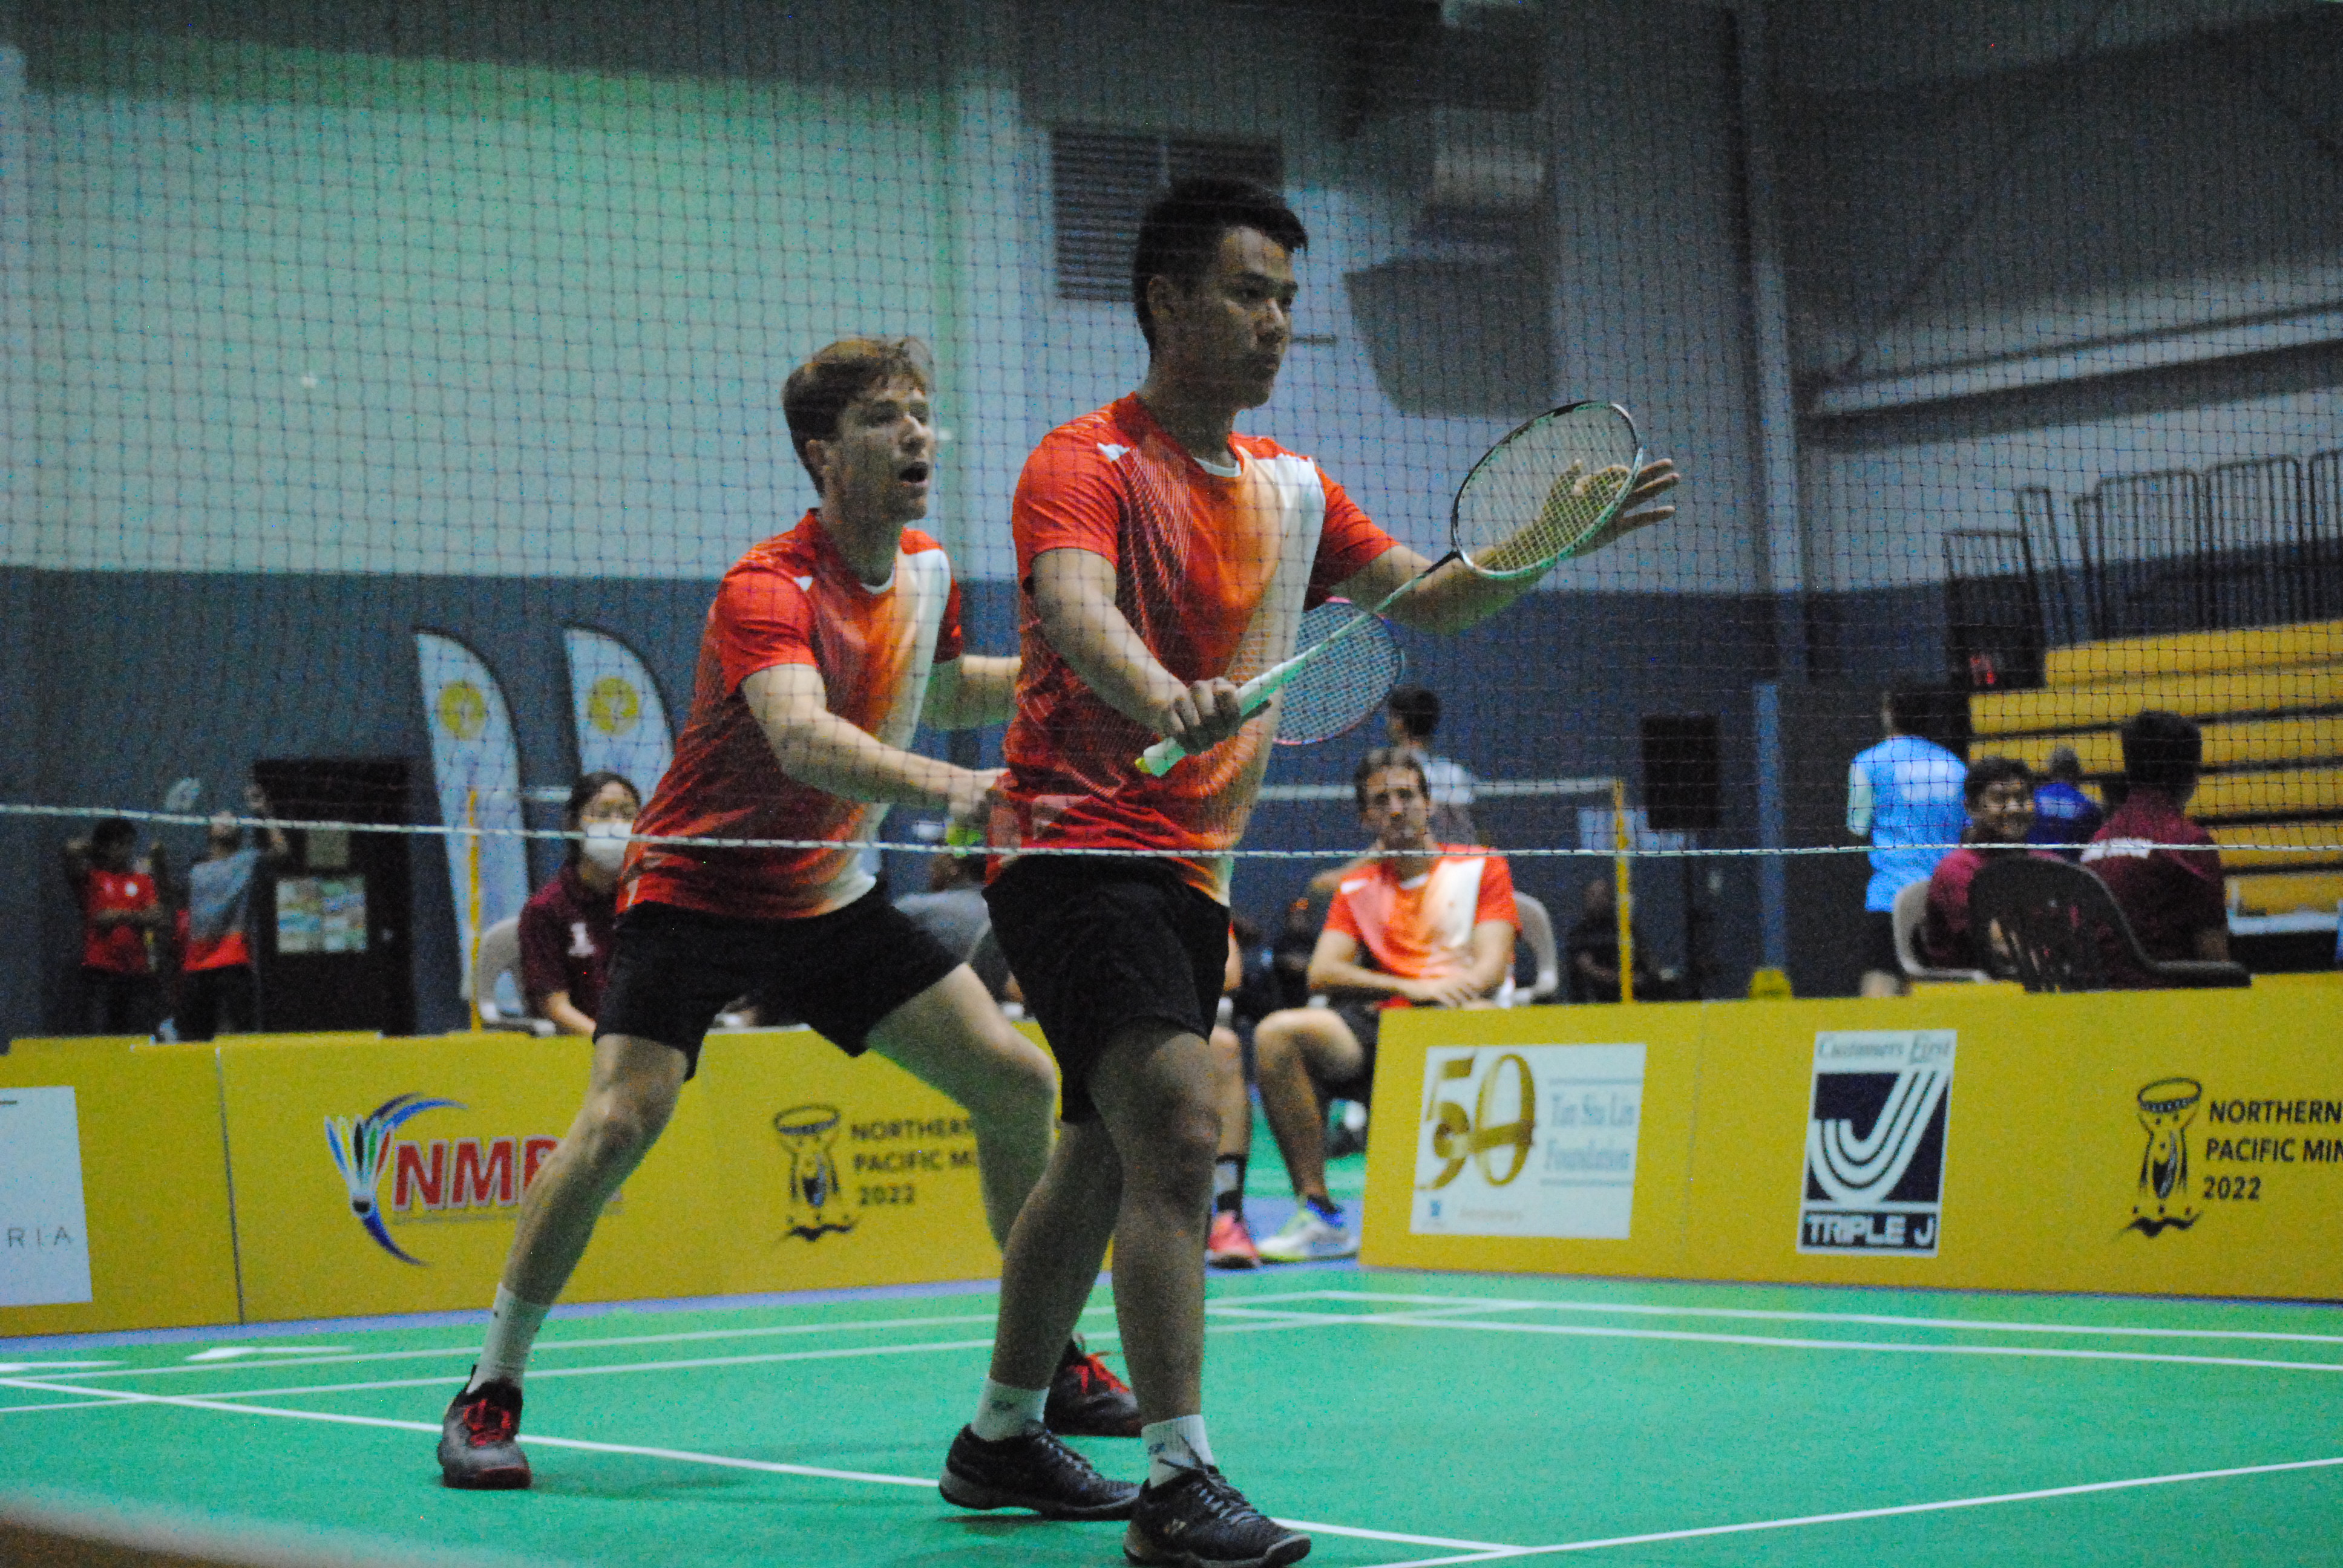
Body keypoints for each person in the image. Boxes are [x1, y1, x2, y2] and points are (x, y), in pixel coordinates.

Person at [942, 176, 1674, 1566]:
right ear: (1166, 301)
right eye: (1247, 291)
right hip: (1073, 841)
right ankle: (1177, 1482)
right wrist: (1163, 691)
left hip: (1188, 864)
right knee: (1171, 1122)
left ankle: (995, 1436)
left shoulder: (1292, 490)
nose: (1277, 321)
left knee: (1096, 1156)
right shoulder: (1081, 461)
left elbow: (1437, 596)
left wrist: (1540, 546)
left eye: (1287, 297)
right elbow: (1074, 611)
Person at [436, 338, 1136, 1494]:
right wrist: (961, 789)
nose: (916, 435)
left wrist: (1077, 669)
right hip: (699, 889)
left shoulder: (925, 571)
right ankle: (490, 1387)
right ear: (822, 453)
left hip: (826, 896)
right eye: (881, 418)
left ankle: (1049, 1361)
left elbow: (940, 687)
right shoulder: (765, 586)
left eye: (920, 414)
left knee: (1014, 1081)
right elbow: (803, 734)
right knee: (621, 1119)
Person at [1247, 750, 1516, 1263]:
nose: (1396, 809)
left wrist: (1442, 994)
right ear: (1366, 818)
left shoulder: (1481, 866)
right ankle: (1319, 1213)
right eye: (1381, 801)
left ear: (1429, 804)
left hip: (1457, 1017)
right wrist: (1412, 989)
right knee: (1278, 1032)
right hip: (1386, 1022)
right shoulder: (1359, 885)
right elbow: (1323, 970)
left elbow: (1489, 968)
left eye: (1406, 796)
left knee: (1482, 1020)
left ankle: (1482, 1212)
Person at [2082, 710, 2230, 974]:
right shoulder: (2190, 843)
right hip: (2165, 999)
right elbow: (2214, 959)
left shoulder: (2098, 840)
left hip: (2095, 999)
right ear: (2191, 773)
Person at [1847, 687, 1968, 997]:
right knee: (1933, 986)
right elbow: (1967, 830)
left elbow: (1857, 829)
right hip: (1943, 897)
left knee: (1881, 982)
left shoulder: (1868, 763)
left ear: (1888, 712)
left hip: (1890, 896)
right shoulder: (1955, 766)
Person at [516, 772, 640, 1038]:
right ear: (573, 825)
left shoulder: (650, 901)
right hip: (584, 1048)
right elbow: (556, 1007)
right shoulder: (546, 909)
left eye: (628, 814)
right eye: (603, 813)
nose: (617, 824)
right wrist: (609, 1046)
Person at [178, 783, 292, 1040]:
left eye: (233, 819)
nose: (227, 821)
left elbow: (282, 851)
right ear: (210, 830)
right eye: (221, 818)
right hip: (197, 965)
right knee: (193, 1039)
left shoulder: (248, 861)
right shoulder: (196, 871)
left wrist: (265, 812)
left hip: (234, 962)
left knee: (243, 1034)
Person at [1918, 756, 2051, 972]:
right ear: (1972, 808)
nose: (2014, 808)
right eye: (2000, 799)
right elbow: (2005, 945)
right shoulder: (1957, 870)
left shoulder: (2048, 864)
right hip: (1974, 992)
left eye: (2022, 797)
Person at [61, 818, 166, 1034]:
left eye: (129, 844)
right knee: (100, 1036)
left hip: (135, 972)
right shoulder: (92, 878)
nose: (126, 850)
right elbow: (71, 850)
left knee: (133, 1035)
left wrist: (118, 915)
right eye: (119, 844)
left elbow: (156, 917)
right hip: (100, 972)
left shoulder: (141, 880)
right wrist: (98, 848)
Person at [1384, 684, 1479, 844]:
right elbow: (1476, 829)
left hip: (1429, 862)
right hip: (1462, 858)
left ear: (1398, 722)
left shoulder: (1392, 776)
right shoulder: (1456, 772)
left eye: (1390, 716)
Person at [1563, 874, 1658, 1004]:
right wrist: (1621, 979)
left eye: (1602, 895)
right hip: (1597, 997)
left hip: (1632, 995)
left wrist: (1646, 976)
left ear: (1610, 898)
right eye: (1592, 895)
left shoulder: (1625, 929)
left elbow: (1645, 960)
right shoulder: (1580, 934)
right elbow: (1587, 969)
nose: (1597, 900)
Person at [2027, 744, 2103, 857]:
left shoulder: (2033, 798)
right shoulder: (2087, 806)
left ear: (2051, 771)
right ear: (2077, 772)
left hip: (2034, 861)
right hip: (2069, 868)